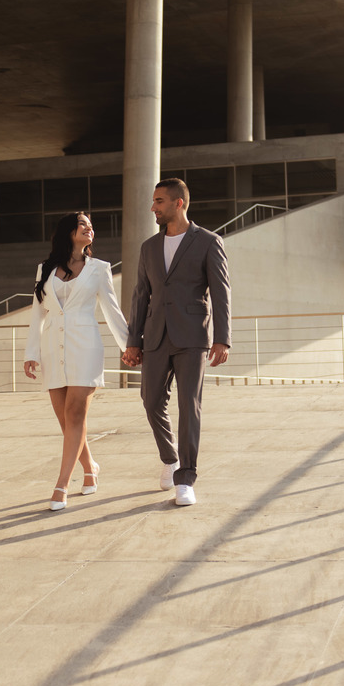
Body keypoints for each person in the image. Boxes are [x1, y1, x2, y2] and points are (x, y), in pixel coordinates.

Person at [122, 178, 231, 506]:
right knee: (150, 399)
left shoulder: (208, 242)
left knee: (189, 405)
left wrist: (222, 339)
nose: (153, 207)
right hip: (155, 335)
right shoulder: (148, 247)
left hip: (193, 336)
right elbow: (141, 295)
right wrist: (133, 340)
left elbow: (221, 293)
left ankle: (186, 477)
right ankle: (170, 459)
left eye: (159, 201)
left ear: (178, 203)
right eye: (154, 202)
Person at [24, 212, 129, 511]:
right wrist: (31, 353)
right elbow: (37, 313)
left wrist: (129, 346)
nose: (89, 229)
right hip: (52, 349)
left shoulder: (99, 269)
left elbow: (112, 310)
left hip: (85, 347)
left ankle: (61, 486)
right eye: (83, 224)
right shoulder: (44, 269)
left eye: (91, 226)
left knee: (75, 414)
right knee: (66, 420)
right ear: (69, 231)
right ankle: (91, 466)